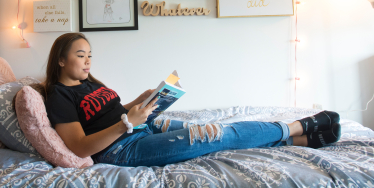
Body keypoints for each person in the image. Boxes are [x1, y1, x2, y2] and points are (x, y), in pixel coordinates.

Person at [39, 33, 341, 167]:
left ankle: (296, 142)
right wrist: (126, 123)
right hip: (120, 148)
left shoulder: (89, 83)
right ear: (61, 60)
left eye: (90, 55)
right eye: (81, 55)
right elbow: (78, 146)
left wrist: (139, 102)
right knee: (217, 136)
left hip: (141, 125)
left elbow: (113, 111)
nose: (88, 61)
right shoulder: (58, 94)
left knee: (213, 129)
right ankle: (297, 127)